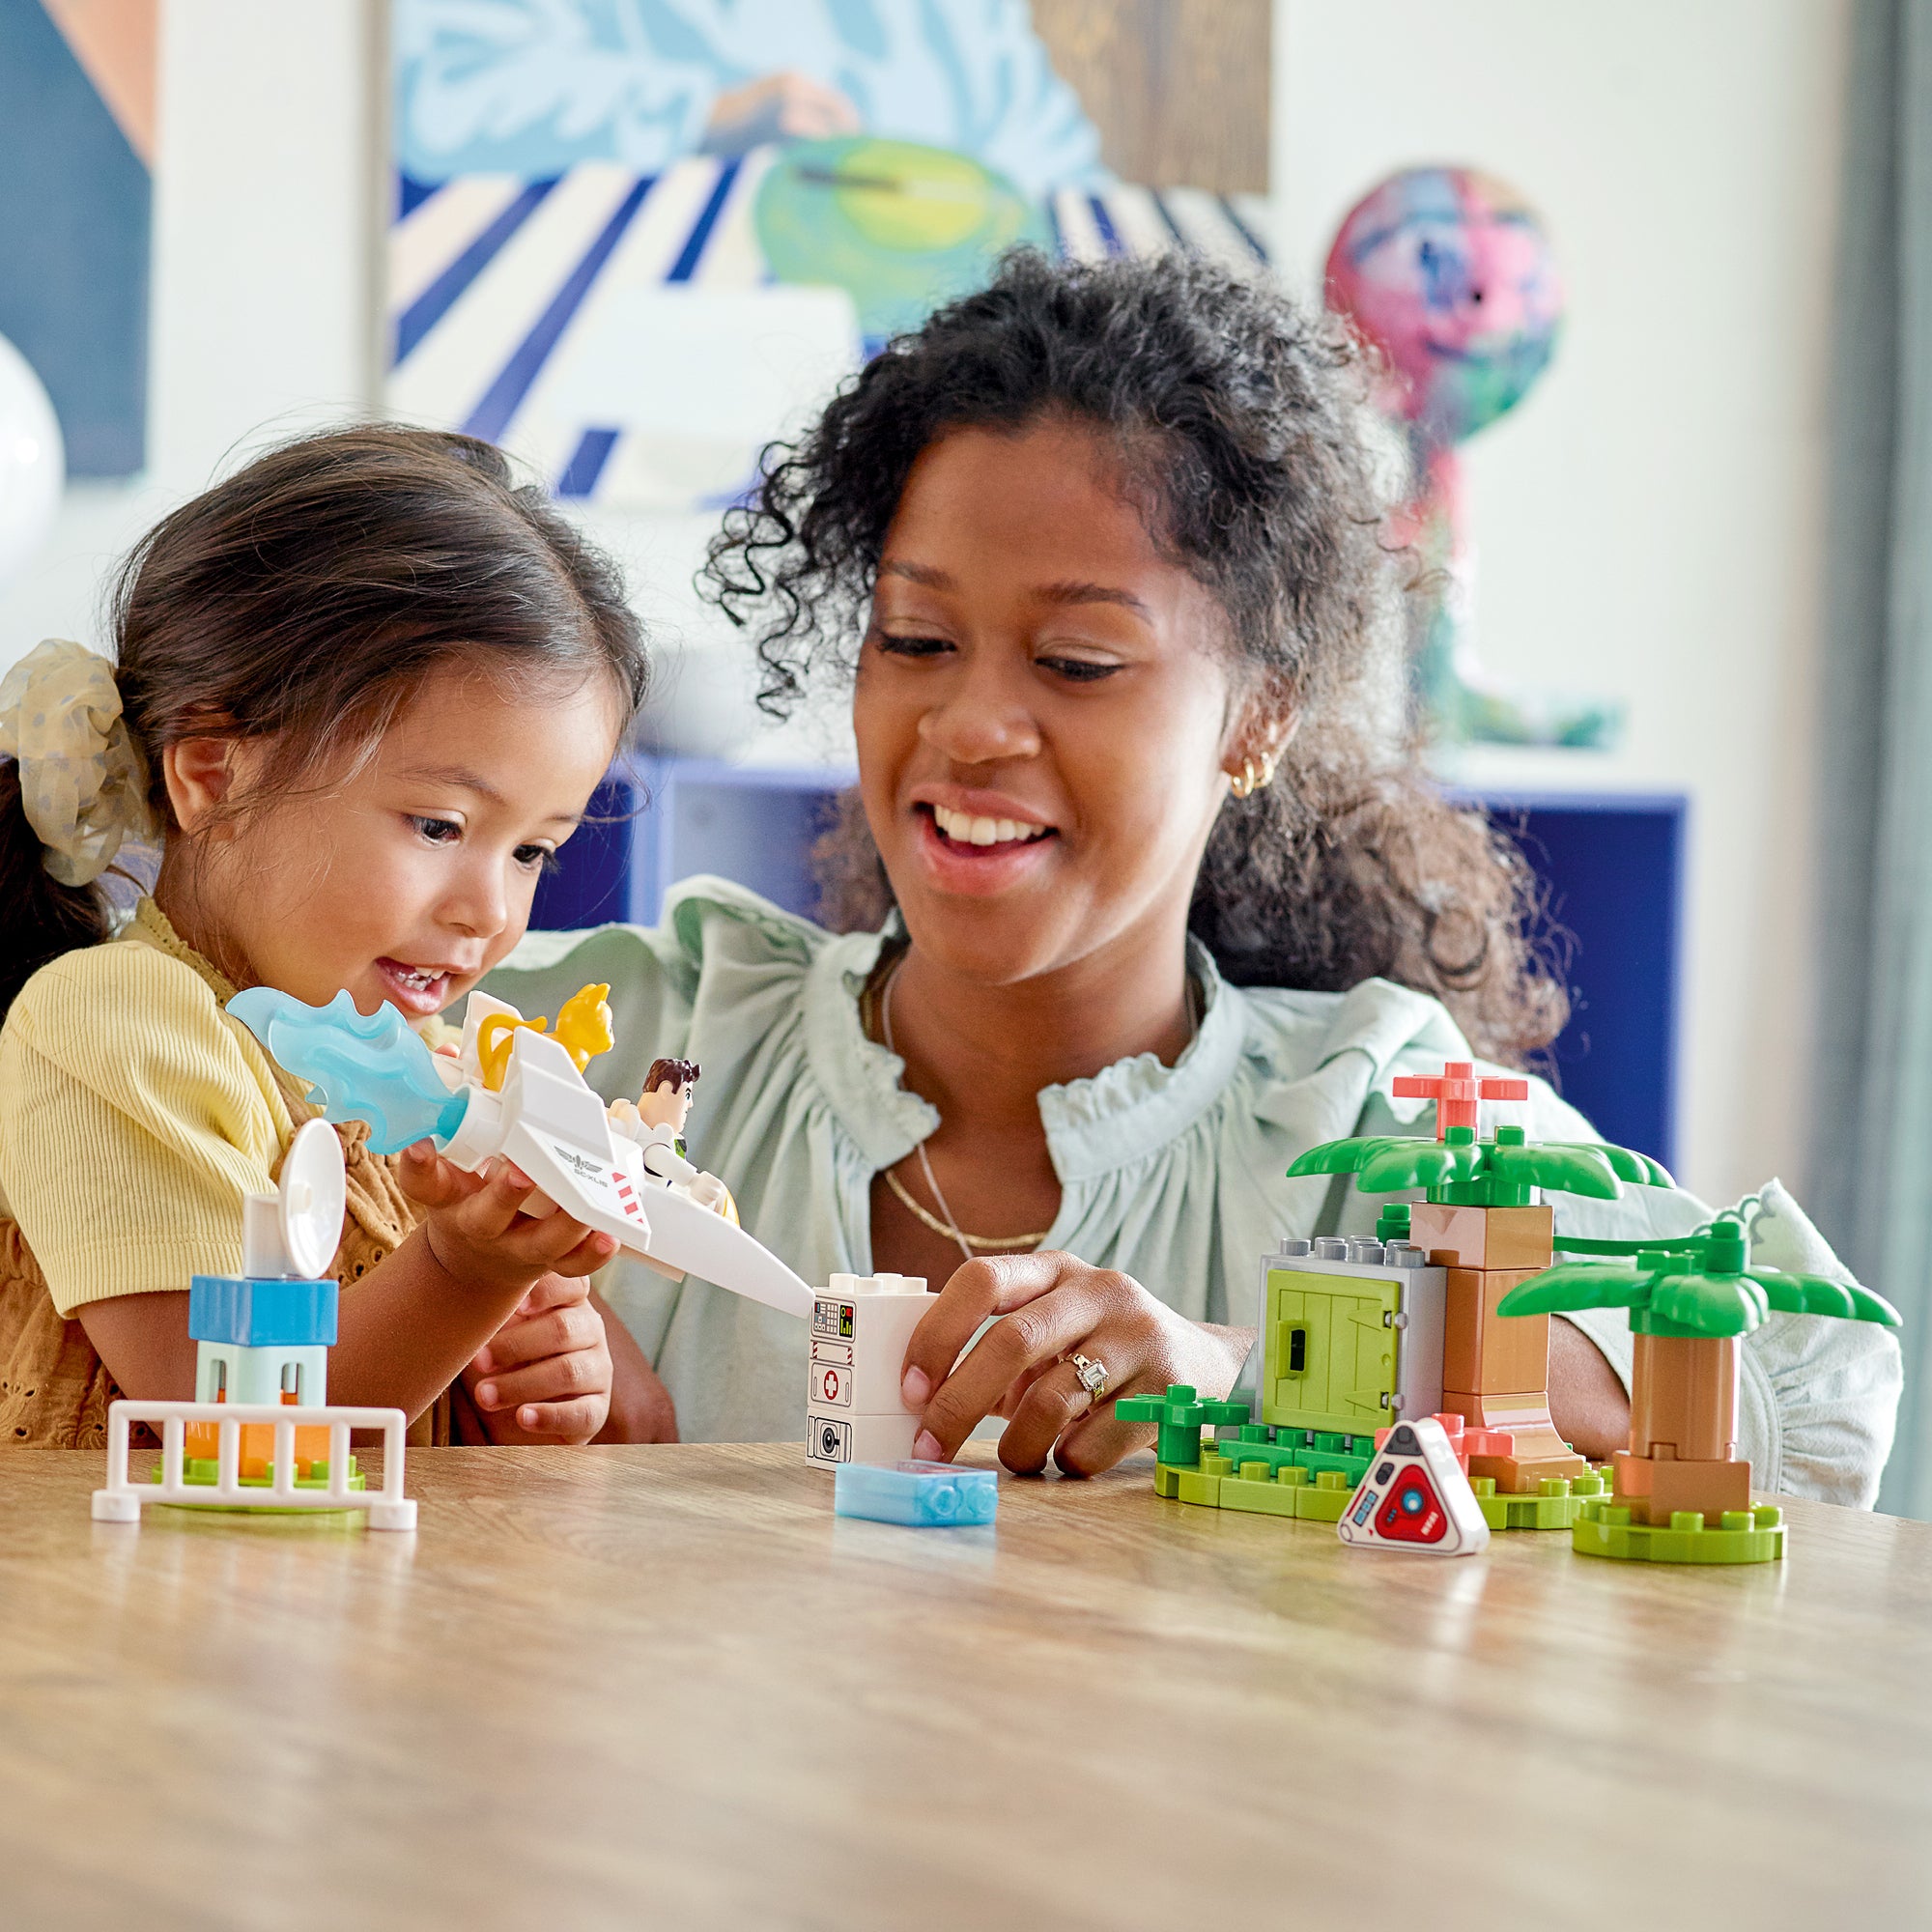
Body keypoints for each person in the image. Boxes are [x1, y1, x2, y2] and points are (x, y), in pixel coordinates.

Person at [485, 250, 1902, 1502]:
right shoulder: (638, 1035)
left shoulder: (1368, 1120)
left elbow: (1811, 1367)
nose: (968, 726)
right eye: (915, 640)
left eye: (1077, 661)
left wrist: (1260, 1369)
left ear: (1257, 717)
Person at [0, 426, 675, 1448]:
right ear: (213, 774)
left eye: (533, 850)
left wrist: (538, 1379)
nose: (489, 911)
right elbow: (230, 1421)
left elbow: (469, 1411)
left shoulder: (439, 1072)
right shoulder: (115, 1026)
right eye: (440, 826)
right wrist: (462, 1273)